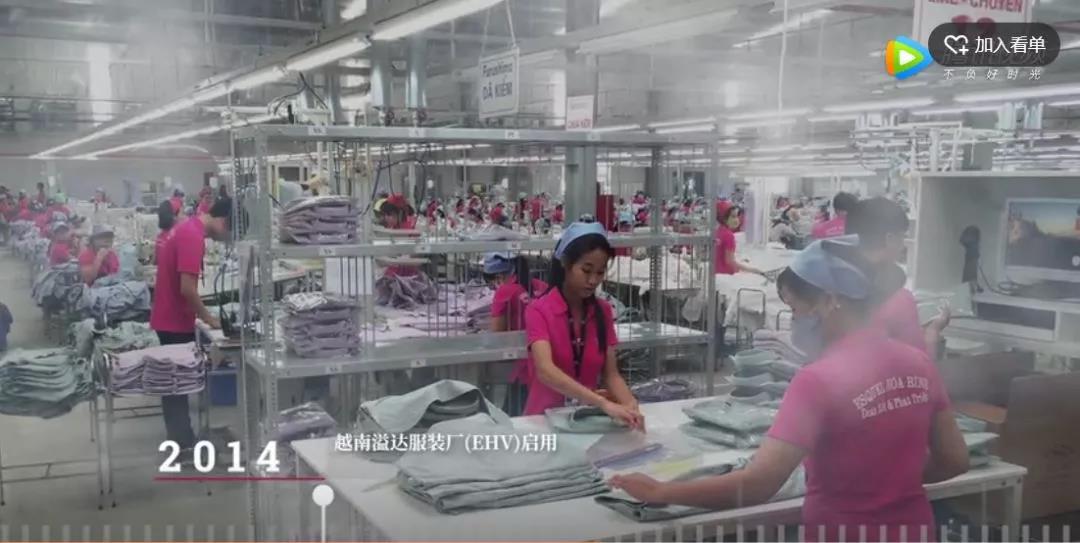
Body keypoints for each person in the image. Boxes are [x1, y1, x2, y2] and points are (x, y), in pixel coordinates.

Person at [610, 239, 969, 542]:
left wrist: (662, 491)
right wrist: (890, 483)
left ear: (830, 300)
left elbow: (759, 484)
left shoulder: (818, 380)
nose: (795, 323)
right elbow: (955, 459)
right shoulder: (918, 363)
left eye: (796, 311)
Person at [523, 222, 644, 429]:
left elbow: (611, 375)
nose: (593, 280)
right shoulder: (538, 310)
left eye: (600, 272)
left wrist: (630, 405)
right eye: (586, 270)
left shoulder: (603, 312)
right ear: (565, 263)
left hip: (585, 421)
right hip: (543, 422)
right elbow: (545, 370)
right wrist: (602, 403)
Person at [150, 197, 233, 450]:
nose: (227, 239)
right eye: (230, 233)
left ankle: (181, 438)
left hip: (169, 316)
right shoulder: (192, 237)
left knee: (175, 385)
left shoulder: (187, 229)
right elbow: (187, 289)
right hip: (174, 321)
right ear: (223, 221)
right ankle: (182, 443)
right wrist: (208, 318)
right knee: (177, 385)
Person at [845, 197, 949, 356]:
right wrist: (932, 333)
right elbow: (917, 366)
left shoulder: (831, 292)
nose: (902, 246)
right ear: (890, 239)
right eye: (902, 237)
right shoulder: (899, 300)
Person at [485, 252, 548, 415]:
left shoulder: (505, 291)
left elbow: (497, 333)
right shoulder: (542, 287)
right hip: (548, 361)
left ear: (499, 276)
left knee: (514, 417)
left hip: (524, 365)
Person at [715, 205, 763, 276]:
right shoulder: (729, 235)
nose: (737, 219)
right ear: (724, 218)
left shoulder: (719, 231)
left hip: (717, 273)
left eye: (737, 216)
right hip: (726, 275)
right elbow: (730, 261)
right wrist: (751, 270)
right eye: (733, 216)